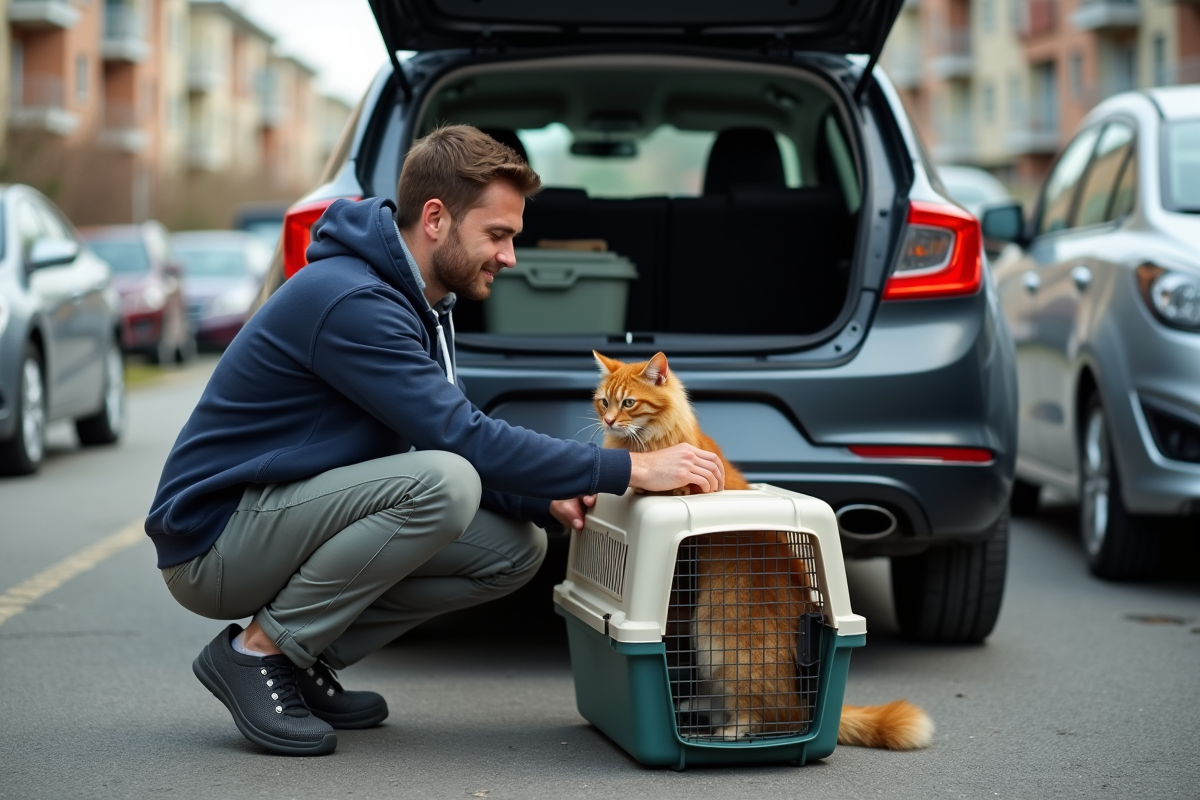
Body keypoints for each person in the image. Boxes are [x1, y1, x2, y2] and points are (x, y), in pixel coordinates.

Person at [147, 125, 725, 756]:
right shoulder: (353, 301)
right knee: (446, 485)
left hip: (277, 516)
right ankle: (256, 653)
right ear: (434, 219)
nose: (510, 257)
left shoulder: (423, 304)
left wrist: (543, 498)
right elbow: (460, 440)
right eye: (497, 235)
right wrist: (628, 471)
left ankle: (297, 653)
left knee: (515, 548)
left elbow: (446, 433)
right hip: (216, 541)